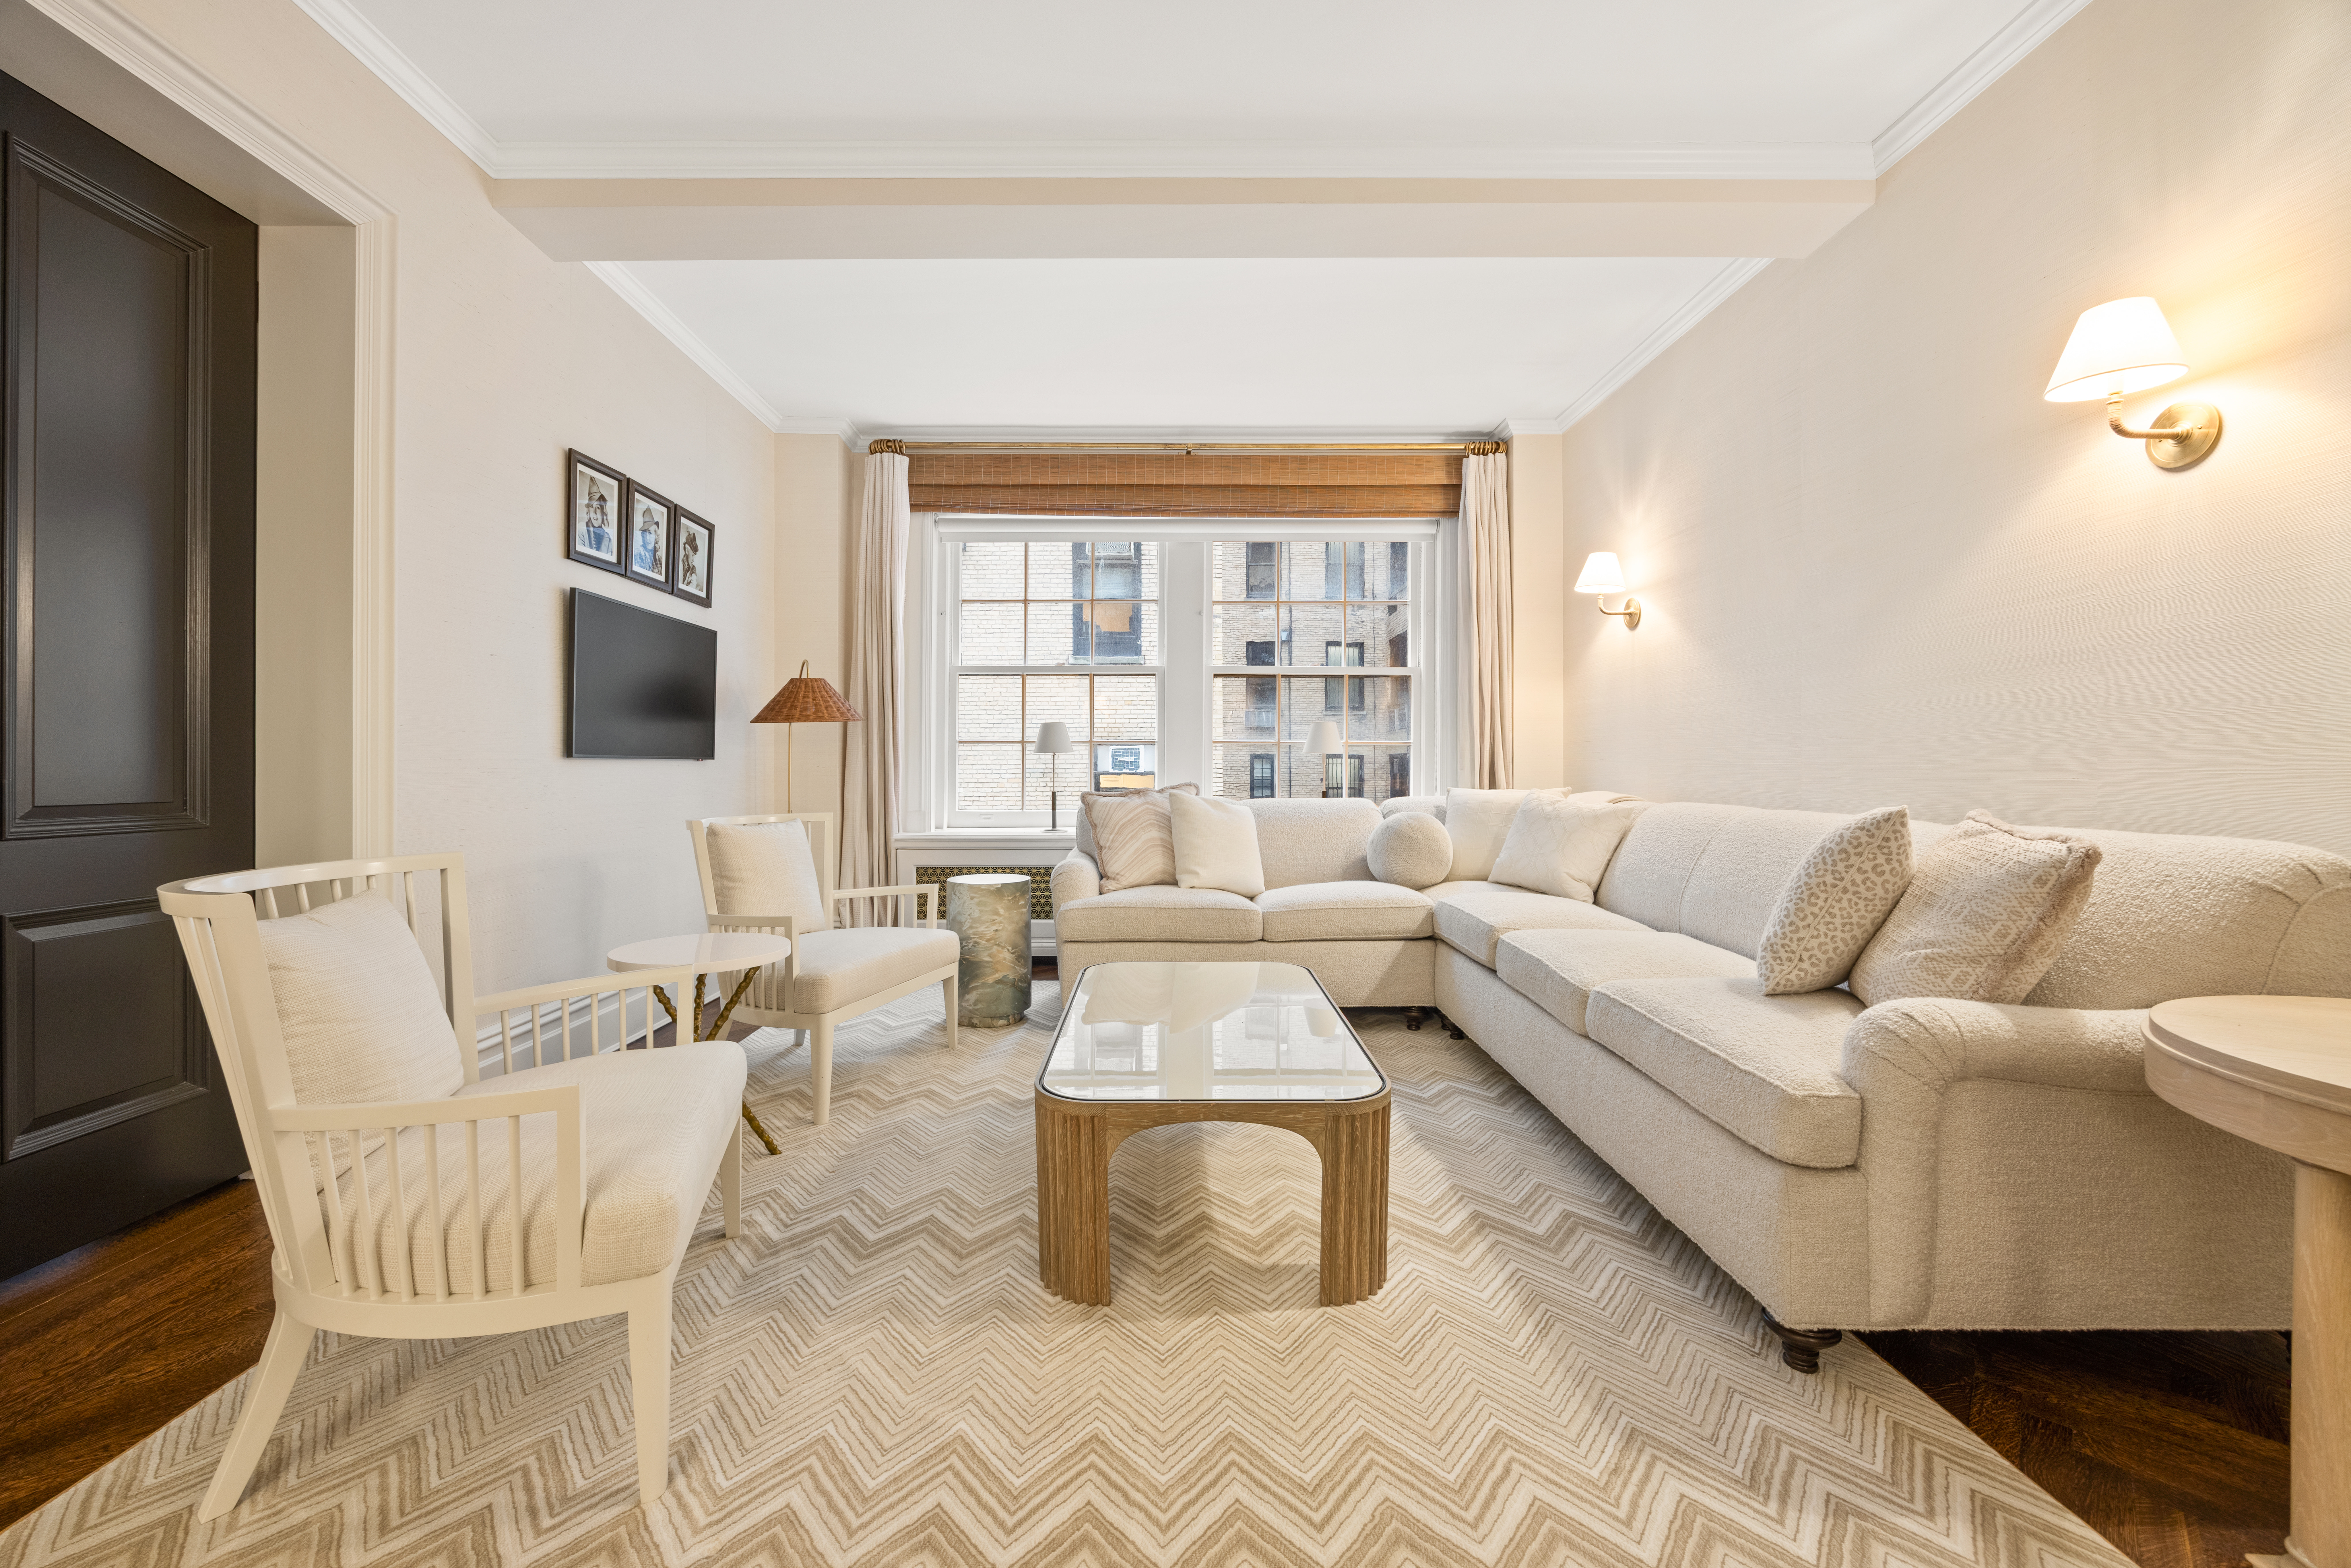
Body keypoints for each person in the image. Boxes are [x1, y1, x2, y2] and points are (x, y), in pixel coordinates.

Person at [579, 476, 613, 556]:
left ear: (603, 512)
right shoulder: (581, 530)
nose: (594, 513)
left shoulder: (608, 539)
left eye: (598, 508)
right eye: (592, 507)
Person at [632, 503, 665, 577]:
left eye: (650, 534)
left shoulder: (660, 559)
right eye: (645, 534)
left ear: (656, 536)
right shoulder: (639, 551)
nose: (647, 539)